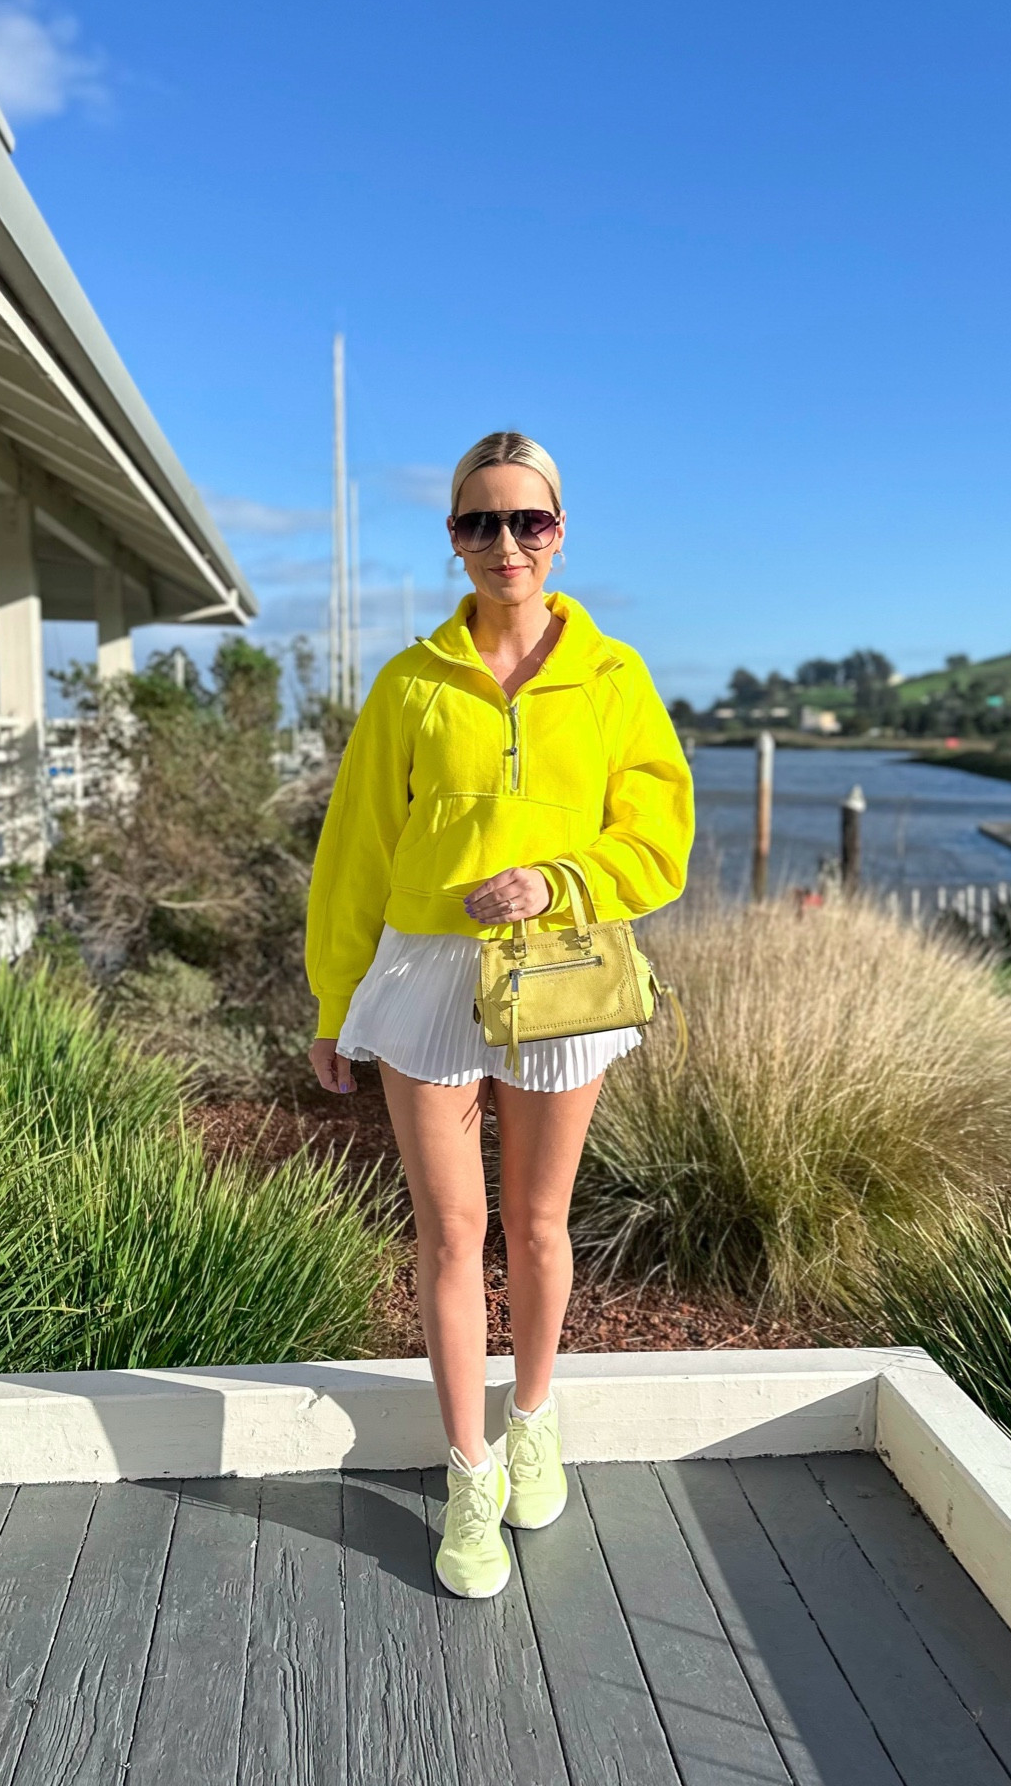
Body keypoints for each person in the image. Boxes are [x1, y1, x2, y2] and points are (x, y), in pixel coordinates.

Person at [305, 431, 694, 1599]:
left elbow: (659, 837)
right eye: (479, 522)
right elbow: (354, 853)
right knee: (446, 1229)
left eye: (526, 520)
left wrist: (560, 879)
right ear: (455, 540)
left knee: (535, 1222)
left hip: (565, 963)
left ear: (559, 531)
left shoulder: (615, 676)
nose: (505, 542)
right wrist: (334, 999)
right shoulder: (411, 681)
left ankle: (533, 1415)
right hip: (426, 973)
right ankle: (466, 1470)